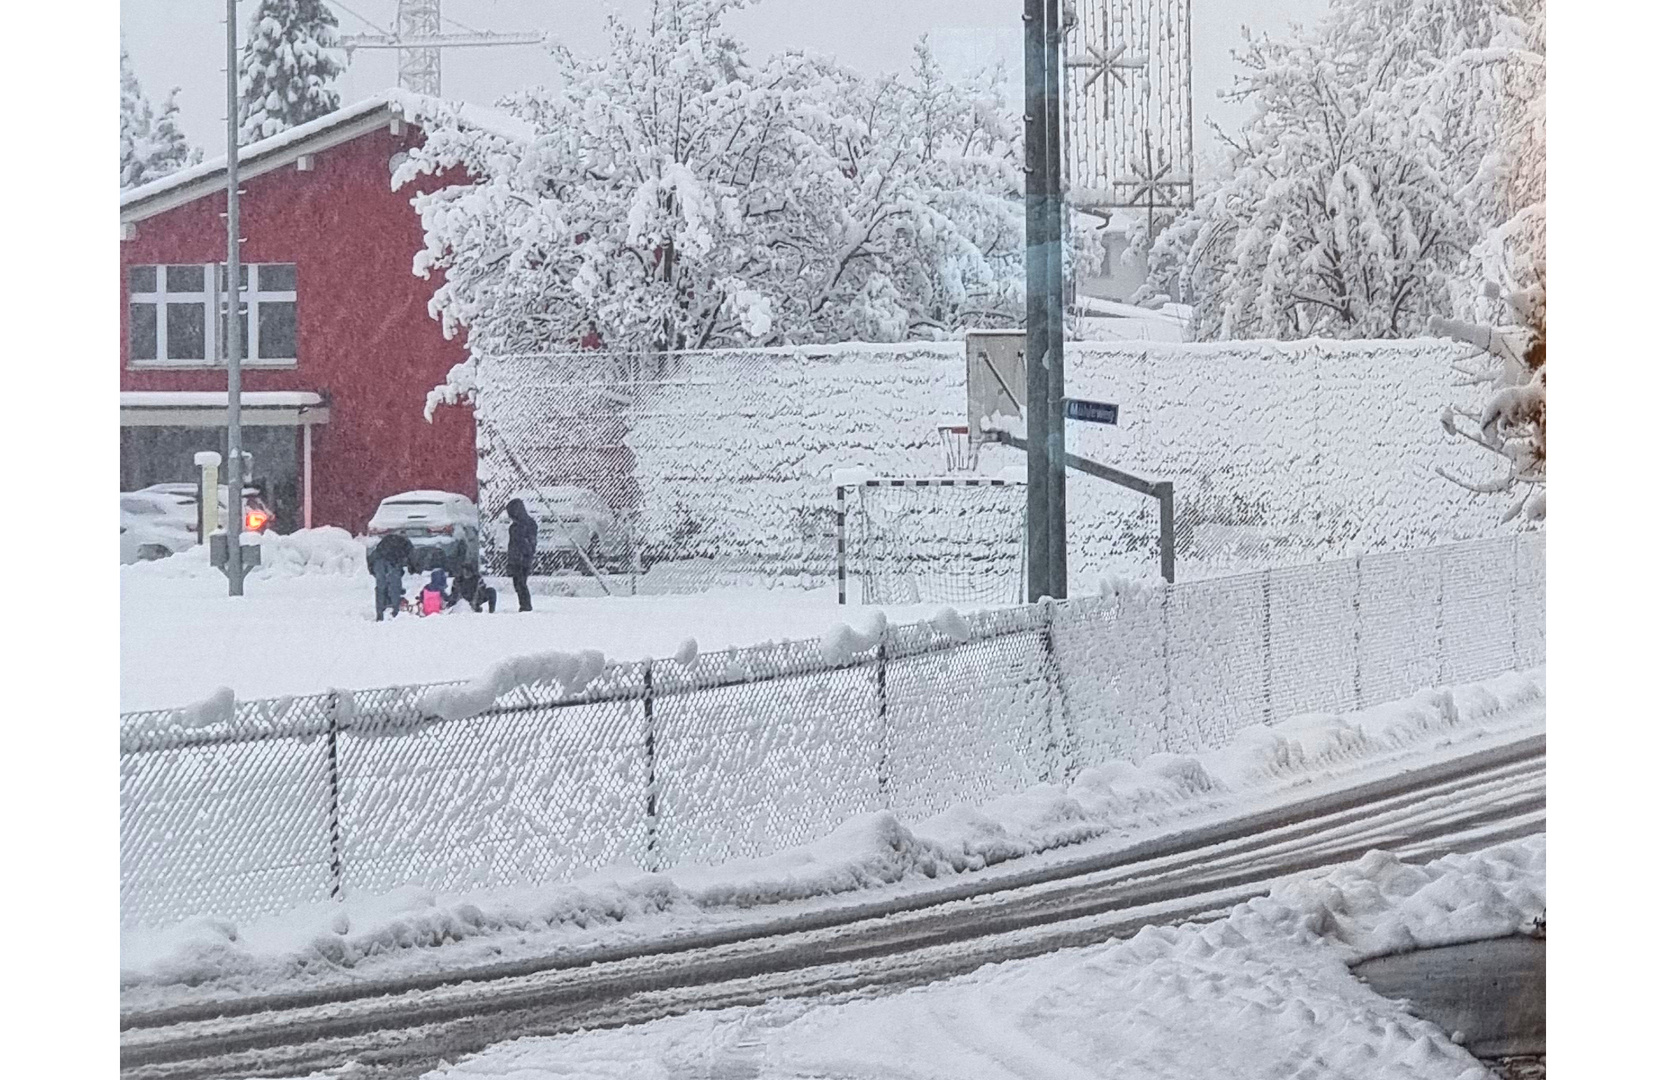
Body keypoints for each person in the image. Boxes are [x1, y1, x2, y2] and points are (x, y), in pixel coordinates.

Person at [367, 532, 415, 621]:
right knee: (394, 588)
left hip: (378, 562)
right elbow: (411, 559)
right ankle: (395, 613)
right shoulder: (406, 544)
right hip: (392, 562)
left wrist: (373, 571)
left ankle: (380, 614)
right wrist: (412, 570)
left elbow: (372, 558)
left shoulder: (387, 540)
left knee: (381, 588)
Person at [505, 497, 537, 612]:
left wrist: (525, 554)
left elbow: (530, 543)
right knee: (518, 583)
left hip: (523, 558)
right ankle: (523, 604)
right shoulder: (514, 527)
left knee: (521, 583)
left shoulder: (528, 525)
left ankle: (526, 606)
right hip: (515, 558)